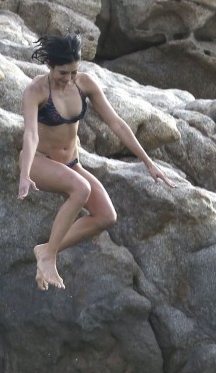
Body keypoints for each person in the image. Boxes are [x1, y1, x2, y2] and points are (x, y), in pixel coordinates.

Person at [18, 33, 173, 291]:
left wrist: (147, 162)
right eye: (63, 73)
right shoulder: (36, 91)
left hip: (71, 164)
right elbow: (31, 134)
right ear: (49, 66)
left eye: (74, 72)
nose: (69, 78)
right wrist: (24, 175)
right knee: (81, 189)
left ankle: (46, 249)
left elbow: (116, 123)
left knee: (106, 216)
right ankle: (49, 257)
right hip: (38, 162)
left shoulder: (84, 84)